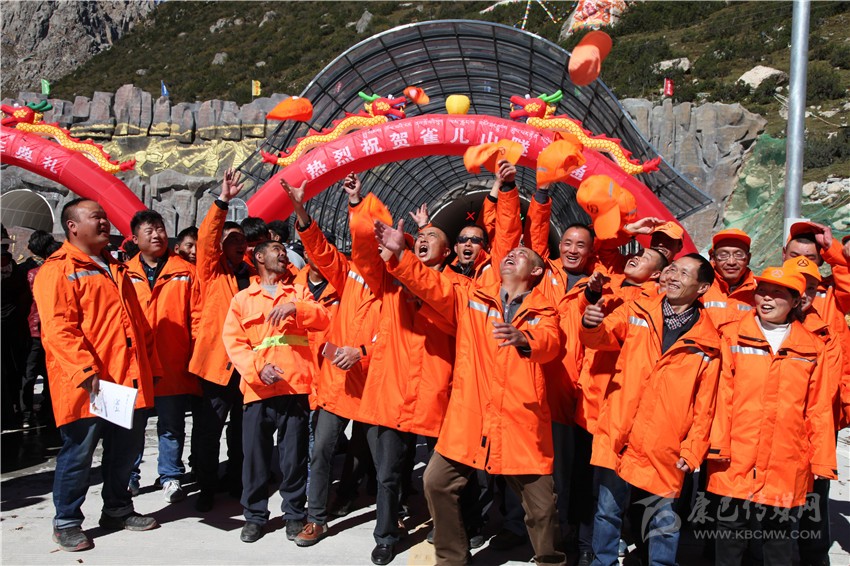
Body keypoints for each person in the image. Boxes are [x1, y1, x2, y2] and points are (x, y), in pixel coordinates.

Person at [376, 218, 567, 566]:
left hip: (520, 423)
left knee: (542, 509)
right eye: (510, 253)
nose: (512, 255)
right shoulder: (472, 297)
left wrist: (525, 339)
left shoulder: (544, 311)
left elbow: (551, 343)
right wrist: (402, 254)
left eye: (522, 255)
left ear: (537, 272)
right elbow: (431, 285)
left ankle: (550, 560)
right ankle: (452, 559)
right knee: (436, 482)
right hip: (471, 417)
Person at [348, 172, 463, 566]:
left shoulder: (455, 288)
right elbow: (365, 256)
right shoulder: (391, 282)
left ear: (446, 254)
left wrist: (404, 258)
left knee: (441, 475)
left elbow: (435, 294)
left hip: (436, 394)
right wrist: (358, 206)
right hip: (393, 392)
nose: (425, 239)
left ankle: (443, 527)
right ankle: (385, 535)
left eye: (433, 237)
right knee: (387, 475)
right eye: (421, 236)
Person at [33, 198, 160, 552]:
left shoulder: (115, 267)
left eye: (105, 216)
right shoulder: (58, 270)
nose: (104, 222)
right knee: (79, 454)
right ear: (72, 226)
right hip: (88, 384)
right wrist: (85, 370)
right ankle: (67, 522)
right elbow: (58, 329)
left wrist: (151, 369)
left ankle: (118, 509)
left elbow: (139, 326)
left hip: (125, 380)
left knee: (124, 452)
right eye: (96, 217)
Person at [581, 253, 721, 566]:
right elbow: (601, 338)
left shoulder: (708, 342)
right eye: (672, 269)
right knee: (607, 510)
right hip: (620, 429)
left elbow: (706, 406)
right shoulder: (637, 310)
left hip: (665, 442)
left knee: (664, 520)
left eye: (684, 273)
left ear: (702, 288)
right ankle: (602, 562)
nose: (673, 276)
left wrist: (693, 450)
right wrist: (590, 324)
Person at [706, 265, 836, 566]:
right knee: (730, 531)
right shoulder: (732, 337)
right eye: (762, 291)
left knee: (779, 535)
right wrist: (718, 445)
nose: (766, 298)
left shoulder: (812, 347)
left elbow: (818, 409)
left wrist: (822, 459)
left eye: (777, 294)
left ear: (796, 301)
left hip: (786, 456)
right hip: (736, 453)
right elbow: (720, 396)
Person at [279, 178, 381, 547]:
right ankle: (316, 519)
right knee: (322, 450)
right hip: (338, 383)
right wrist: (302, 209)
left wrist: (364, 353)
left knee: (381, 459)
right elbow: (319, 249)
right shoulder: (348, 274)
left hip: (375, 385)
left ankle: (388, 520)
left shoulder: (398, 285)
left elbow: (399, 339)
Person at [222, 239, 330, 543]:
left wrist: (297, 307)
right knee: (255, 458)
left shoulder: (298, 292)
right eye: (276, 250)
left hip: (295, 386)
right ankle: (254, 516)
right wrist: (258, 369)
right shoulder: (243, 299)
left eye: (284, 251)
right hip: (258, 389)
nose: (283, 254)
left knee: (293, 458)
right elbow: (234, 343)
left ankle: (294, 514)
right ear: (259, 257)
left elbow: (323, 318)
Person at [125, 210, 202, 503]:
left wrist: (194, 355)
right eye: (149, 231)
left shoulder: (185, 271)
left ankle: (170, 476)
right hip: (136, 363)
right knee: (133, 425)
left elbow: (197, 317)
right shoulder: (124, 273)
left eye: (160, 229)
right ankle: (129, 476)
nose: (157, 235)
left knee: (171, 424)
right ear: (135, 238)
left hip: (173, 359)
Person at [189, 169, 253, 512]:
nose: (239, 243)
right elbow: (206, 239)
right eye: (232, 238)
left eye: (242, 239)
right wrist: (223, 200)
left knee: (243, 430)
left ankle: (237, 480)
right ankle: (206, 485)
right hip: (216, 365)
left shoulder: (254, 277)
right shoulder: (212, 273)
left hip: (246, 367)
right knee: (208, 430)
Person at [782, 255, 848, 566]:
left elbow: (829, 387)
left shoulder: (825, 332)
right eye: (798, 284)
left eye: (811, 287)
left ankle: (813, 556)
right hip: (769, 428)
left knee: (815, 496)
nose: (804, 293)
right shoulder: (758, 325)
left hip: (811, 428)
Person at [21, 230, 59, 428]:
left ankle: (26, 412)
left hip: (33, 329)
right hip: (49, 329)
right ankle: (48, 409)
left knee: (29, 373)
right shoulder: (54, 270)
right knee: (49, 372)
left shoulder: (27, 271)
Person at [702, 228, 757, 331]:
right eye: (723, 255)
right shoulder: (698, 286)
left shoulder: (759, 292)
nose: (731, 262)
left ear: (748, 258)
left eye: (739, 255)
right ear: (713, 258)